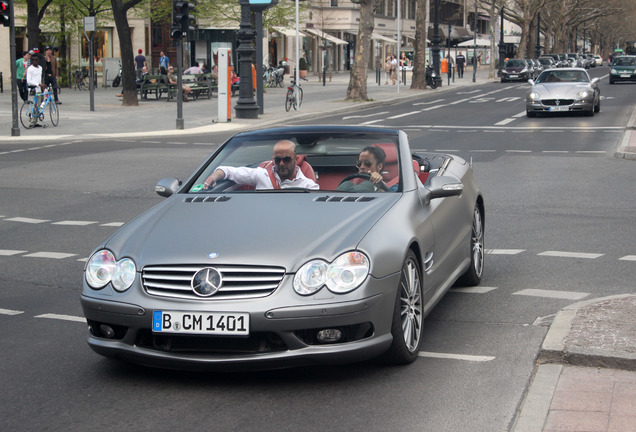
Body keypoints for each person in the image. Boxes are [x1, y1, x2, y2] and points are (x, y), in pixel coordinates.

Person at [202, 140, 319, 190]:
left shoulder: (309, 187)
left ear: (296, 158)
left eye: (286, 159)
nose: (282, 164)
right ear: (273, 159)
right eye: (277, 160)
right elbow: (228, 171)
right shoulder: (261, 175)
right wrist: (212, 177)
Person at [25, 55, 47, 127]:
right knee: (32, 105)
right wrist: (38, 84)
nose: (34, 61)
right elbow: (29, 81)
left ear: (38, 61)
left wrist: (41, 86)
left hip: (39, 89)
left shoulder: (40, 68)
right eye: (33, 60)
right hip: (32, 89)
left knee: (38, 105)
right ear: (31, 61)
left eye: (36, 60)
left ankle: (35, 121)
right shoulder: (30, 69)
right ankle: (31, 122)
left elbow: (39, 78)